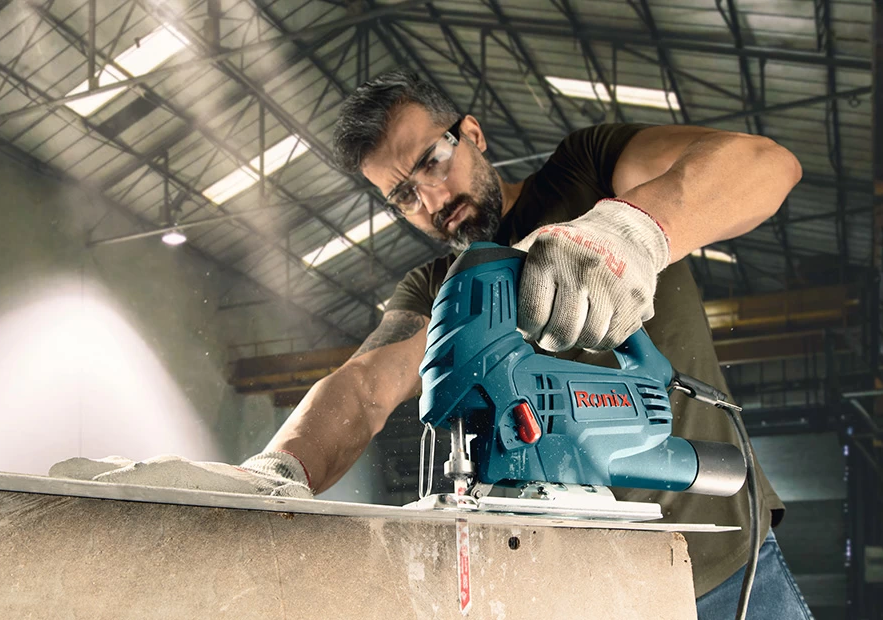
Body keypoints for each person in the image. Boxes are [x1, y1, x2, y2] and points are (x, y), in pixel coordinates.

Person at [52, 69, 811, 618]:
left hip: (724, 564)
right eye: (402, 195)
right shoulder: (443, 290)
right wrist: (276, 473)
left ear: (472, 134)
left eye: (431, 163)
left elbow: (766, 166)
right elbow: (361, 388)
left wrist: (631, 231)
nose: (431, 201)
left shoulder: (589, 172)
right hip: (582, 588)